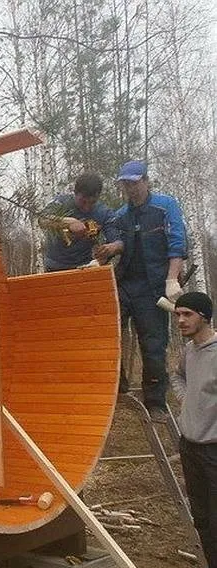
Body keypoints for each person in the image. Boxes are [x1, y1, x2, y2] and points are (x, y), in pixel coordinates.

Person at [94, 160, 188, 422]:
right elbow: (124, 241)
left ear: (146, 181)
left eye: (135, 183)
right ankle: (117, 388)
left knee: (153, 343)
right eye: (126, 184)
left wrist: (172, 279)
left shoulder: (164, 206)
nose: (131, 189)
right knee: (109, 333)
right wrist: (112, 249)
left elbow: (177, 243)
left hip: (154, 287)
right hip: (124, 284)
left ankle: (155, 402)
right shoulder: (121, 214)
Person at [170, 292, 217, 568]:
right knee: (201, 519)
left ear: (204, 316)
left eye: (187, 314)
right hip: (190, 447)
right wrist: (186, 399)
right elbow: (177, 376)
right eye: (177, 315)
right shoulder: (188, 351)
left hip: (214, 449)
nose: (180, 320)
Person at [38, 172, 118, 272]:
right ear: (75, 193)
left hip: (85, 267)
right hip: (54, 267)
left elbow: (117, 241)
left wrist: (108, 250)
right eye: (83, 201)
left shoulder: (104, 213)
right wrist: (67, 222)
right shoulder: (61, 203)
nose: (87, 207)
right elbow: (42, 219)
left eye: (92, 202)